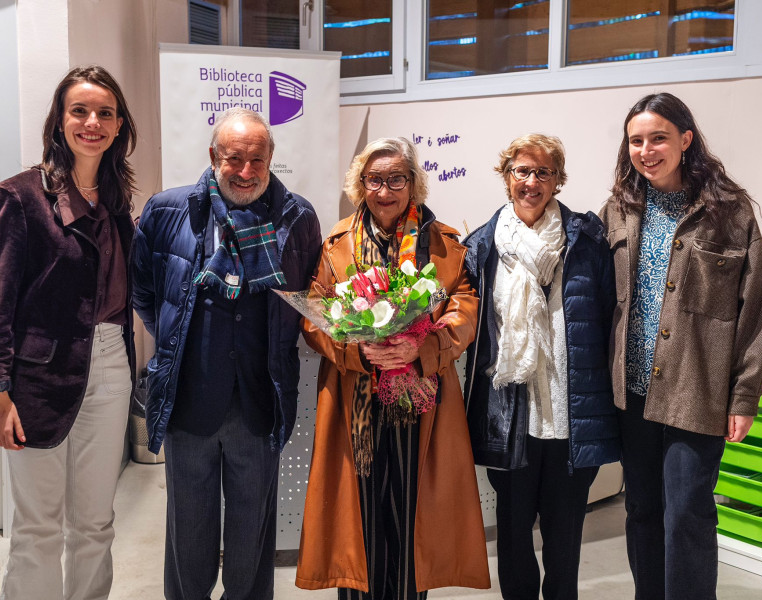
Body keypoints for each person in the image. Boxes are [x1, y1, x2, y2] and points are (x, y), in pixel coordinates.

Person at [131, 107, 321, 600]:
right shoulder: (168, 210)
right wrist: (177, 342)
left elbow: (310, 298)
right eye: (234, 158)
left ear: (271, 160)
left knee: (251, 538)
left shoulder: (297, 216)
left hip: (259, 401)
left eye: (257, 160)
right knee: (187, 533)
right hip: (189, 401)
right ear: (212, 155)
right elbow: (146, 293)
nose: (245, 171)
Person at [295, 137, 490, 599]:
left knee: (411, 514)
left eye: (396, 179)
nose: (385, 191)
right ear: (360, 184)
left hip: (421, 402)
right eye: (374, 180)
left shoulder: (444, 244)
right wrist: (358, 353)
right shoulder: (336, 244)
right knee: (358, 521)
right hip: (354, 402)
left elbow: (464, 313)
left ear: (413, 183)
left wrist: (417, 352)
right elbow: (314, 316)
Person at [600, 92, 762, 600]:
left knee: (688, 514)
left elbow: (755, 308)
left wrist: (744, 396)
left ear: (686, 140)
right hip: (633, 393)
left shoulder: (730, 213)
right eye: (637, 140)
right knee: (642, 511)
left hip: (697, 393)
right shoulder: (618, 210)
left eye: (659, 138)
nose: (646, 150)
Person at [462, 134, 620, 600]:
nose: (531, 182)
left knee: (565, 537)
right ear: (506, 176)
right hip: (509, 415)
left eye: (543, 172)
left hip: (571, 418)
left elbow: (610, 318)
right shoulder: (482, 247)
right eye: (521, 171)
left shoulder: (588, 241)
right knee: (512, 537)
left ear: (558, 180)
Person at [0, 65, 137, 599]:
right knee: (36, 528)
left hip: (109, 363)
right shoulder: (20, 196)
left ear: (119, 124)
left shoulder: (119, 201)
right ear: (60, 120)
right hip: (37, 377)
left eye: (105, 112)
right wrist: (2, 388)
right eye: (79, 110)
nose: (92, 122)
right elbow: (2, 300)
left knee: (95, 524)